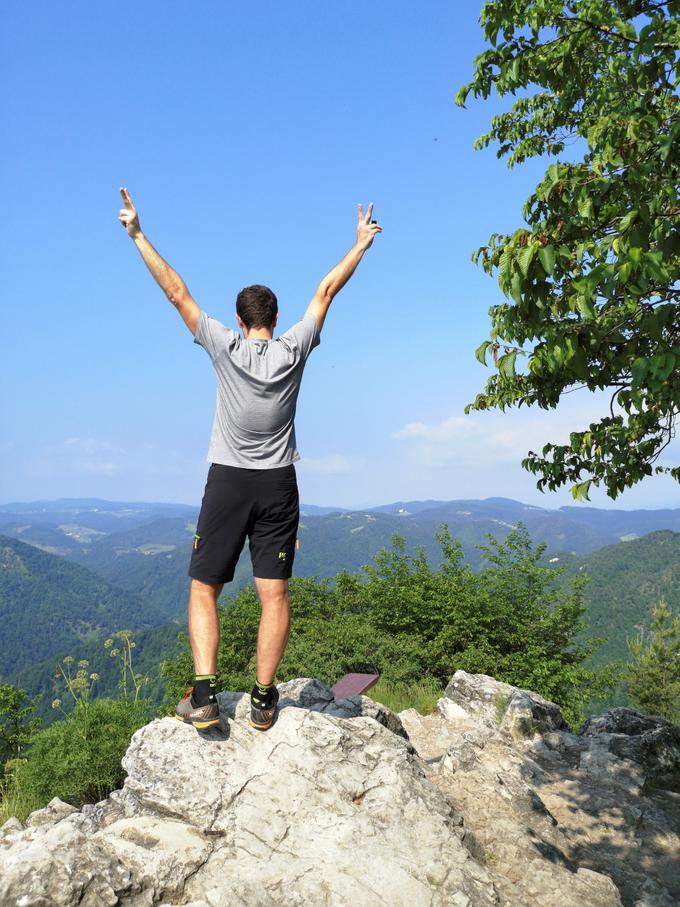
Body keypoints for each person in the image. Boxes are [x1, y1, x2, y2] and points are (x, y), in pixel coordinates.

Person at [118, 187, 382, 731]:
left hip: (229, 482)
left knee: (203, 588)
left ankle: (206, 694)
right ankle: (265, 700)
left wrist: (139, 235)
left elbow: (176, 293)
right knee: (274, 593)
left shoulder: (223, 346)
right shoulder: (294, 349)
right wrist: (359, 245)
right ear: (275, 317)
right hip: (279, 484)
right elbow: (327, 290)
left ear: (239, 321)